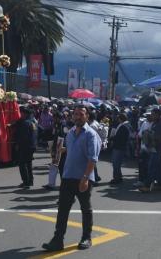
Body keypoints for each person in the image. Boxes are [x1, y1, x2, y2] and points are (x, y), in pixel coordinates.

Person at [42, 105, 100, 252]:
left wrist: (85, 178)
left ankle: (86, 237)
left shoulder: (91, 134)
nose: (78, 116)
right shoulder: (70, 133)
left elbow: (92, 159)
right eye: (76, 114)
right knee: (62, 210)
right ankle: (57, 240)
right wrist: (62, 150)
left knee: (85, 209)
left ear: (87, 116)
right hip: (67, 177)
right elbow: (74, 150)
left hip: (83, 178)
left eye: (81, 114)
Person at [140, 108, 161, 192]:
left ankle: (147, 186)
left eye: (153, 114)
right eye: (151, 114)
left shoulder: (160, 124)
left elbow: (158, 137)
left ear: (158, 115)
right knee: (158, 167)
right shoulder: (155, 123)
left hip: (156, 148)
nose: (151, 115)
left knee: (151, 167)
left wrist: (148, 135)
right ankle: (160, 184)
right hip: (153, 148)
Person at [14, 106, 38, 189]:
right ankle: (30, 181)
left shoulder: (25, 123)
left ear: (25, 114)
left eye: (22, 113)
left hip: (25, 146)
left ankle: (26, 182)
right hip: (32, 146)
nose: (21, 114)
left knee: (22, 164)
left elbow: (23, 136)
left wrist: (18, 145)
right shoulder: (33, 122)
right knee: (28, 164)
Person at [108, 113, 130, 185]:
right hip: (120, 146)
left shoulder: (123, 126)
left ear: (121, 119)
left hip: (119, 147)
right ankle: (119, 177)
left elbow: (119, 137)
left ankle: (116, 178)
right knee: (117, 163)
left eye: (118, 118)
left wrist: (111, 138)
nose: (117, 119)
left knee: (116, 163)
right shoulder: (125, 125)